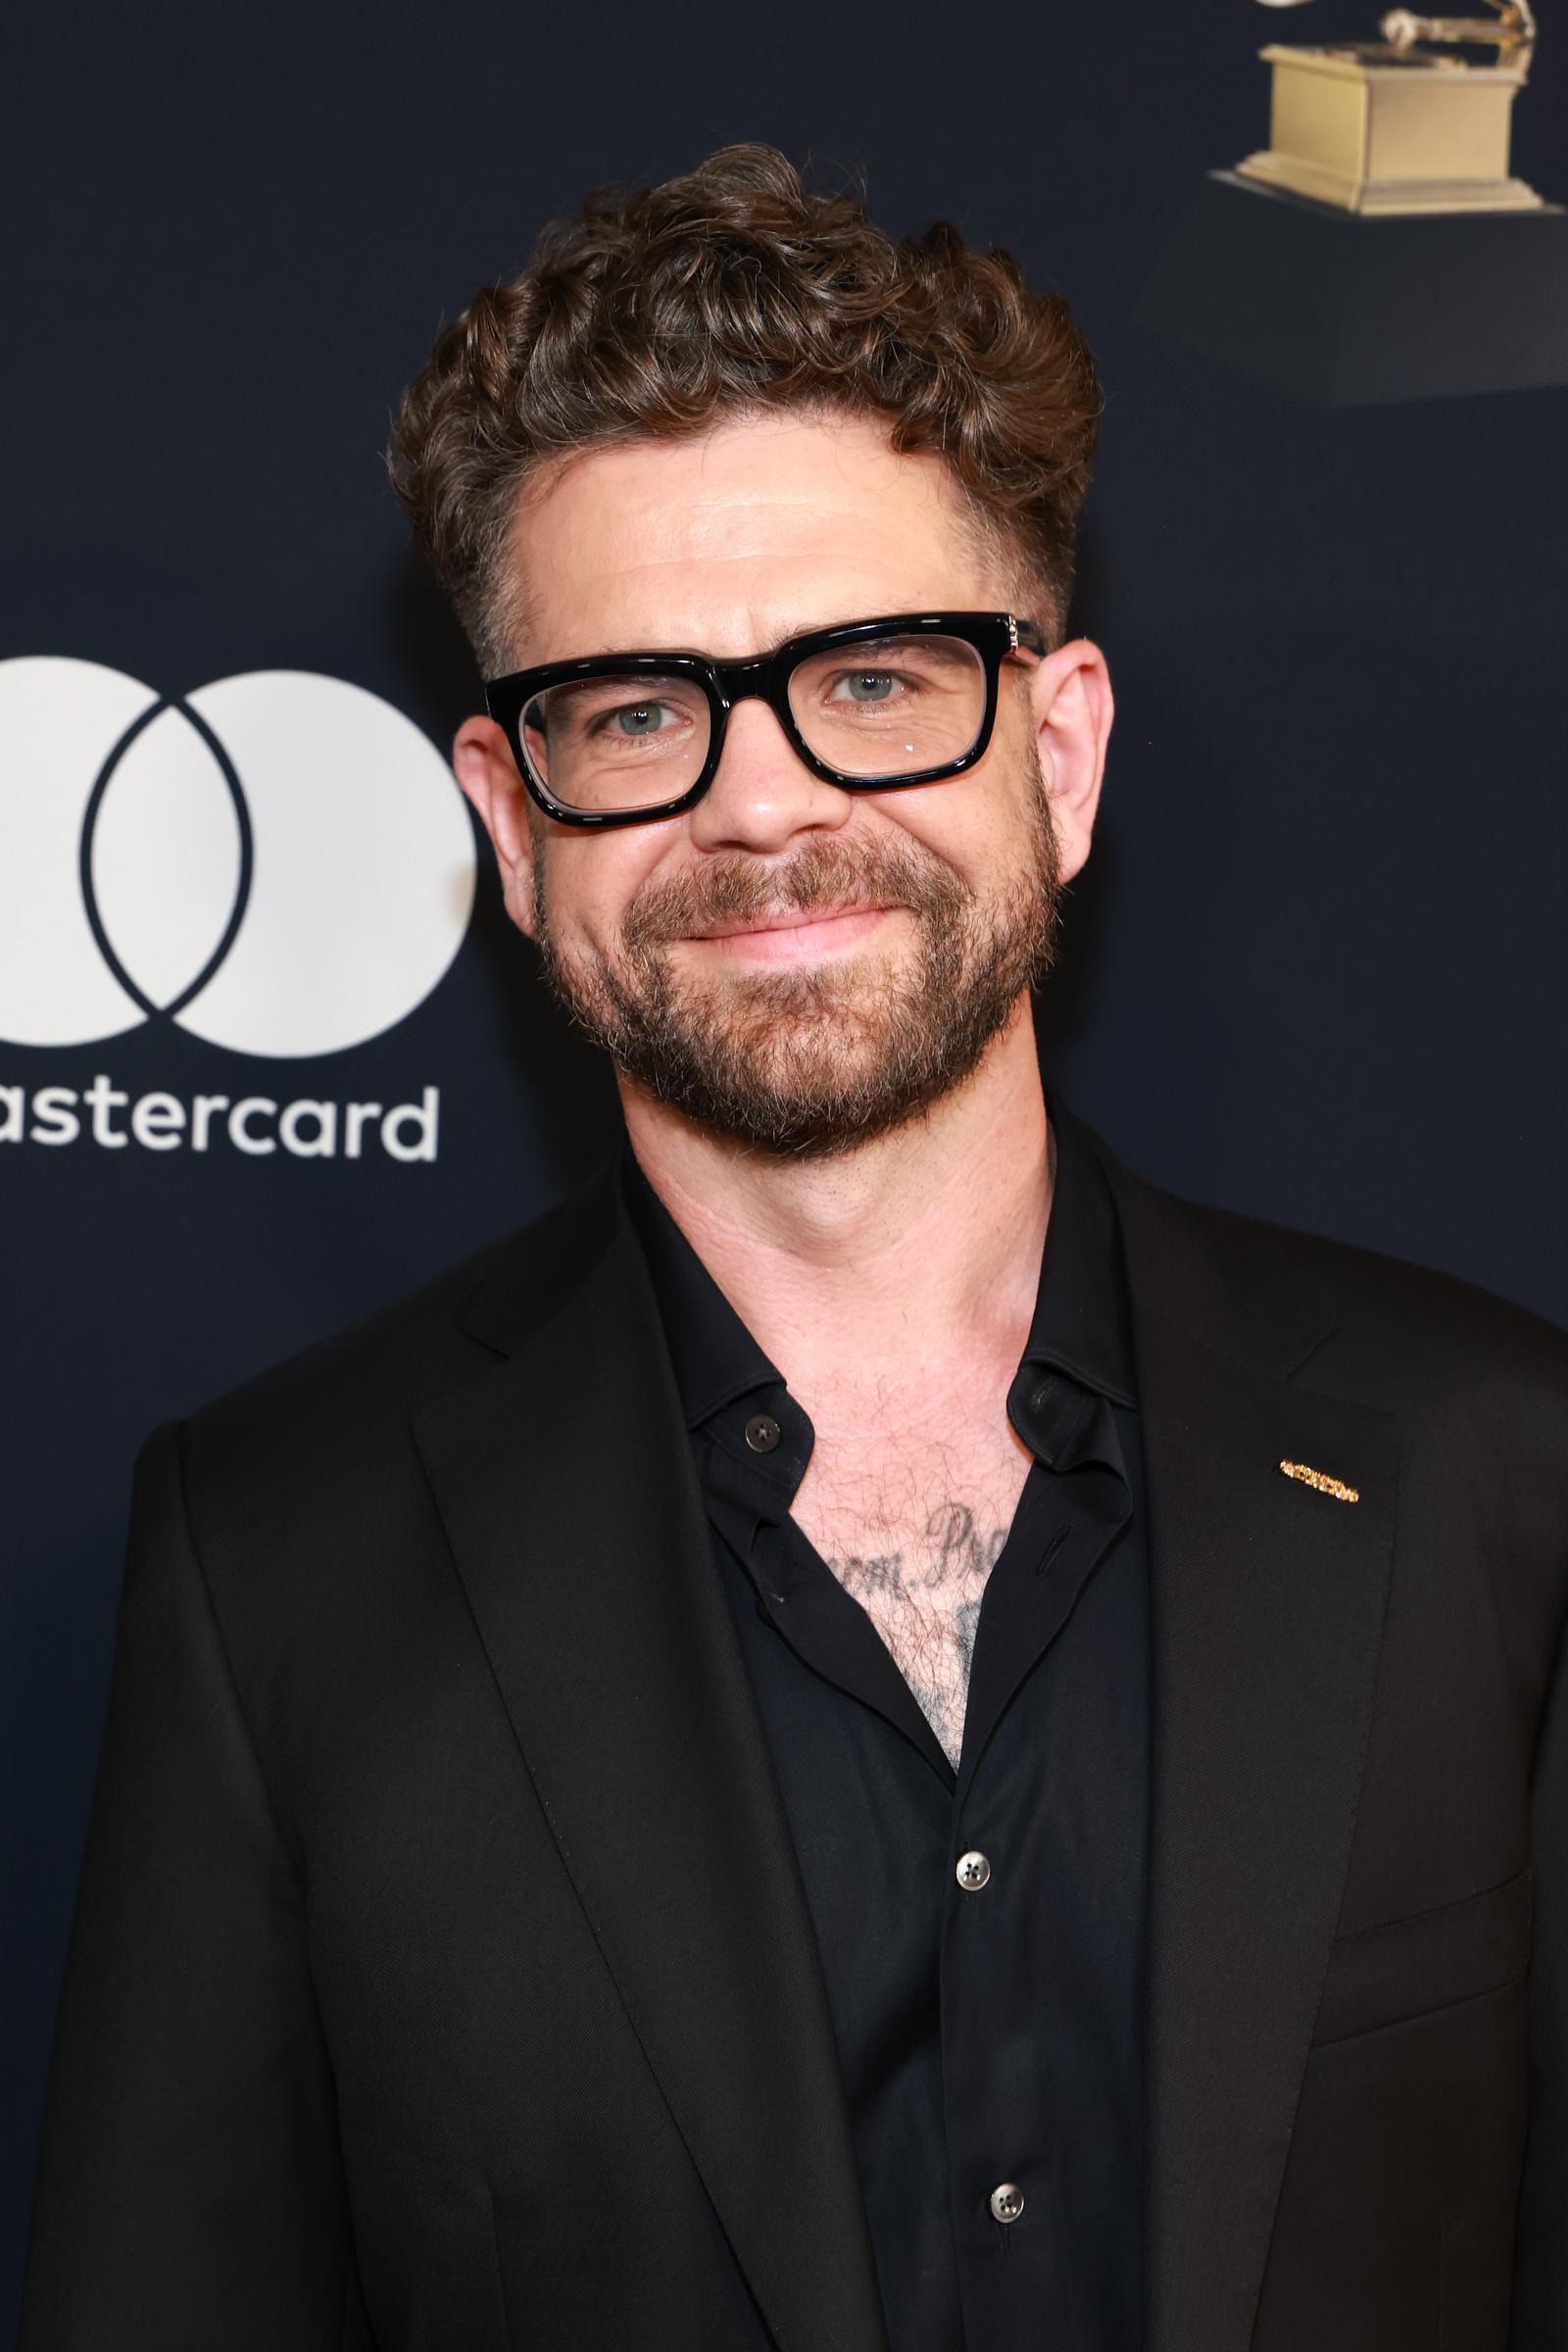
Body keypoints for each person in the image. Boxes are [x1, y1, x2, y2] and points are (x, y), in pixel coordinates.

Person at [18, 143, 1566, 2352]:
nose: (759, 805)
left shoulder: (1490, 1469)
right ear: (510, 824)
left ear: (1060, 752)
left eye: (870, 678)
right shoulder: (273, 1566)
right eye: (637, 710)